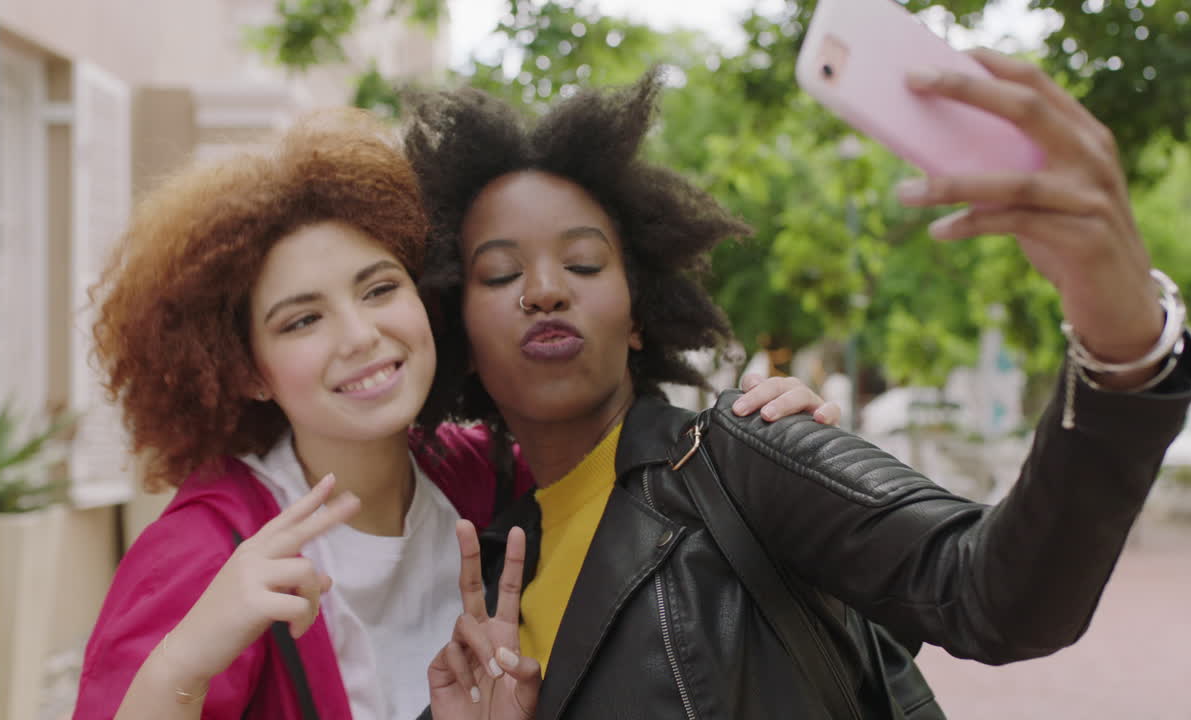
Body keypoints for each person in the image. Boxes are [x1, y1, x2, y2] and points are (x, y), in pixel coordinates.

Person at [405, 51, 1191, 718]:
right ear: (462, 342)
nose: (545, 289)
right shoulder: (490, 564)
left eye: (583, 263)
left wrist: (1123, 344)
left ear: (640, 314)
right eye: (501, 272)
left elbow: (998, 595)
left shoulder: (740, 454)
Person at [72, 108, 830, 720]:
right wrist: (187, 658)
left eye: (378, 289)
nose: (361, 336)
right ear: (244, 370)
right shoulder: (209, 548)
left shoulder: (485, 472)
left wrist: (764, 440)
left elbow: (647, 483)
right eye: (302, 321)